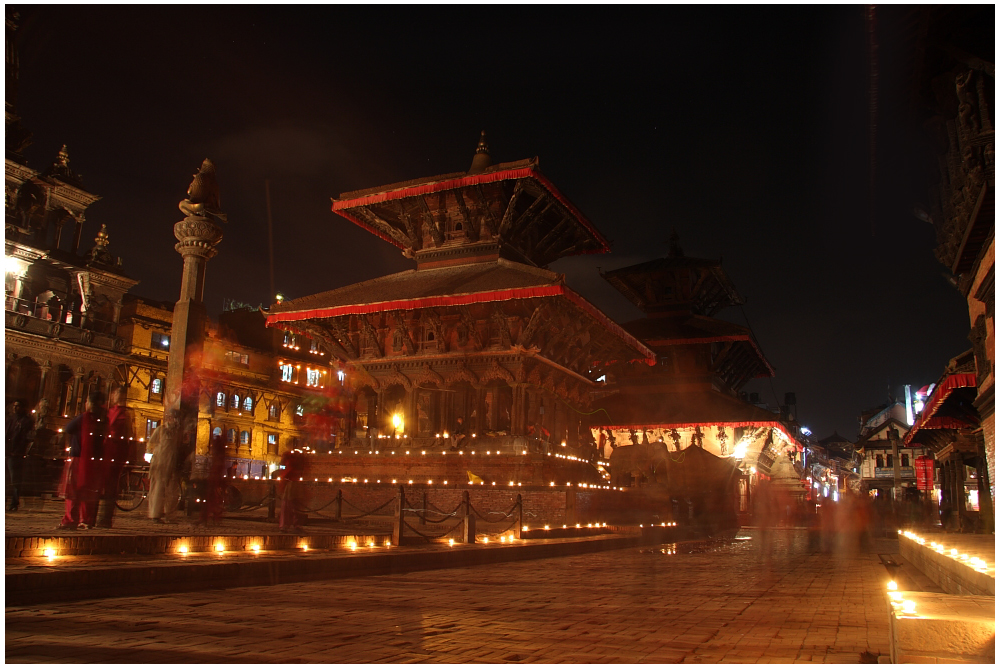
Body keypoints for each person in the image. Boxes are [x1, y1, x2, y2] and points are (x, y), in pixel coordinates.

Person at [59, 390, 107, 529]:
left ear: (89, 403)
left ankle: (71, 519)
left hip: (78, 458)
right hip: (95, 460)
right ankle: (86, 520)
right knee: (89, 492)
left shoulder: (84, 418)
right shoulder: (103, 420)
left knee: (73, 491)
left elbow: (68, 428)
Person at [96, 387, 133, 528]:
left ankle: (105, 518)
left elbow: (129, 434)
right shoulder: (108, 411)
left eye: (121, 394)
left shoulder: (125, 414)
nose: (119, 396)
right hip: (105, 451)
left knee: (111, 486)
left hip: (117, 452)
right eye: (117, 393)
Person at [147, 410, 180, 524]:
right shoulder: (161, 430)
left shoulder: (176, 433)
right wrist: (152, 462)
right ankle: (155, 515)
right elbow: (150, 445)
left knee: (171, 492)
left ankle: (170, 515)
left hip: (171, 465)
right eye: (174, 418)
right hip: (160, 464)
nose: (176, 421)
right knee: (158, 490)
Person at [6, 399, 33, 512]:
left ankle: (14, 502)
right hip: (7, 451)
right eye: (14, 406)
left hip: (16, 453)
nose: (15, 408)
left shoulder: (26, 421)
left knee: (15, 479)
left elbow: (25, 438)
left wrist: (18, 450)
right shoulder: (10, 420)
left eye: (17, 406)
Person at [199, 431, 227, 525]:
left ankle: (209, 518)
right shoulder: (219, 456)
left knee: (211, 499)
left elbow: (217, 468)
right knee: (212, 500)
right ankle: (214, 517)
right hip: (214, 480)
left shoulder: (218, 457)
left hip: (214, 480)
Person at [278, 448, 307, 532]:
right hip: (291, 486)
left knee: (291, 506)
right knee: (290, 506)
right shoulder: (292, 462)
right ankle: (290, 524)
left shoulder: (293, 462)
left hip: (292, 485)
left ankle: (290, 524)